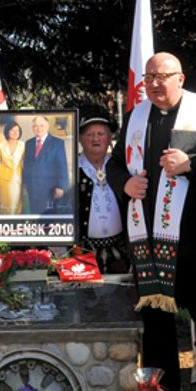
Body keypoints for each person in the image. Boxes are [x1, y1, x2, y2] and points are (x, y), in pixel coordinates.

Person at [107, 52, 196, 391]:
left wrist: (191, 164)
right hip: (147, 244)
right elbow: (115, 165)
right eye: (150, 77)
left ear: (181, 78)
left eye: (164, 76)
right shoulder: (136, 116)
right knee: (157, 332)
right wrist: (124, 185)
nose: (157, 83)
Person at [76, 115, 129, 274]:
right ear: (80, 139)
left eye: (101, 134)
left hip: (120, 250)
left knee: (122, 295)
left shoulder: (121, 168)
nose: (95, 139)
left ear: (110, 137)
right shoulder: (71, 169)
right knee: (85, 296)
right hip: (83, 251)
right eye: (90, 135)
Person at [22, 115, 71, 214]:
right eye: (36, 126)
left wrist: (61, 187)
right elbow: (26, 164)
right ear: (32, 128)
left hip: (50, 189)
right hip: (32, 188)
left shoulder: (57, 143)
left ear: (47, 127)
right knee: (34, 214)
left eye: (41, 125)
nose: (38, 128)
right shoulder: (29, 143)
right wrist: (25, 182)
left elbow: (62, 166)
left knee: (48, 218)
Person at [0, 121, 25, 215]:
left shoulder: (23, 145)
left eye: (17, 130)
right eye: (12, 130)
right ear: (7, 132)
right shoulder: (0, 145)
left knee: (16, 206)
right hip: (3, 181)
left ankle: (14, 225)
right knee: (4, 206)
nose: (15, 132)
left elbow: (25, 163)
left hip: (18, 180)